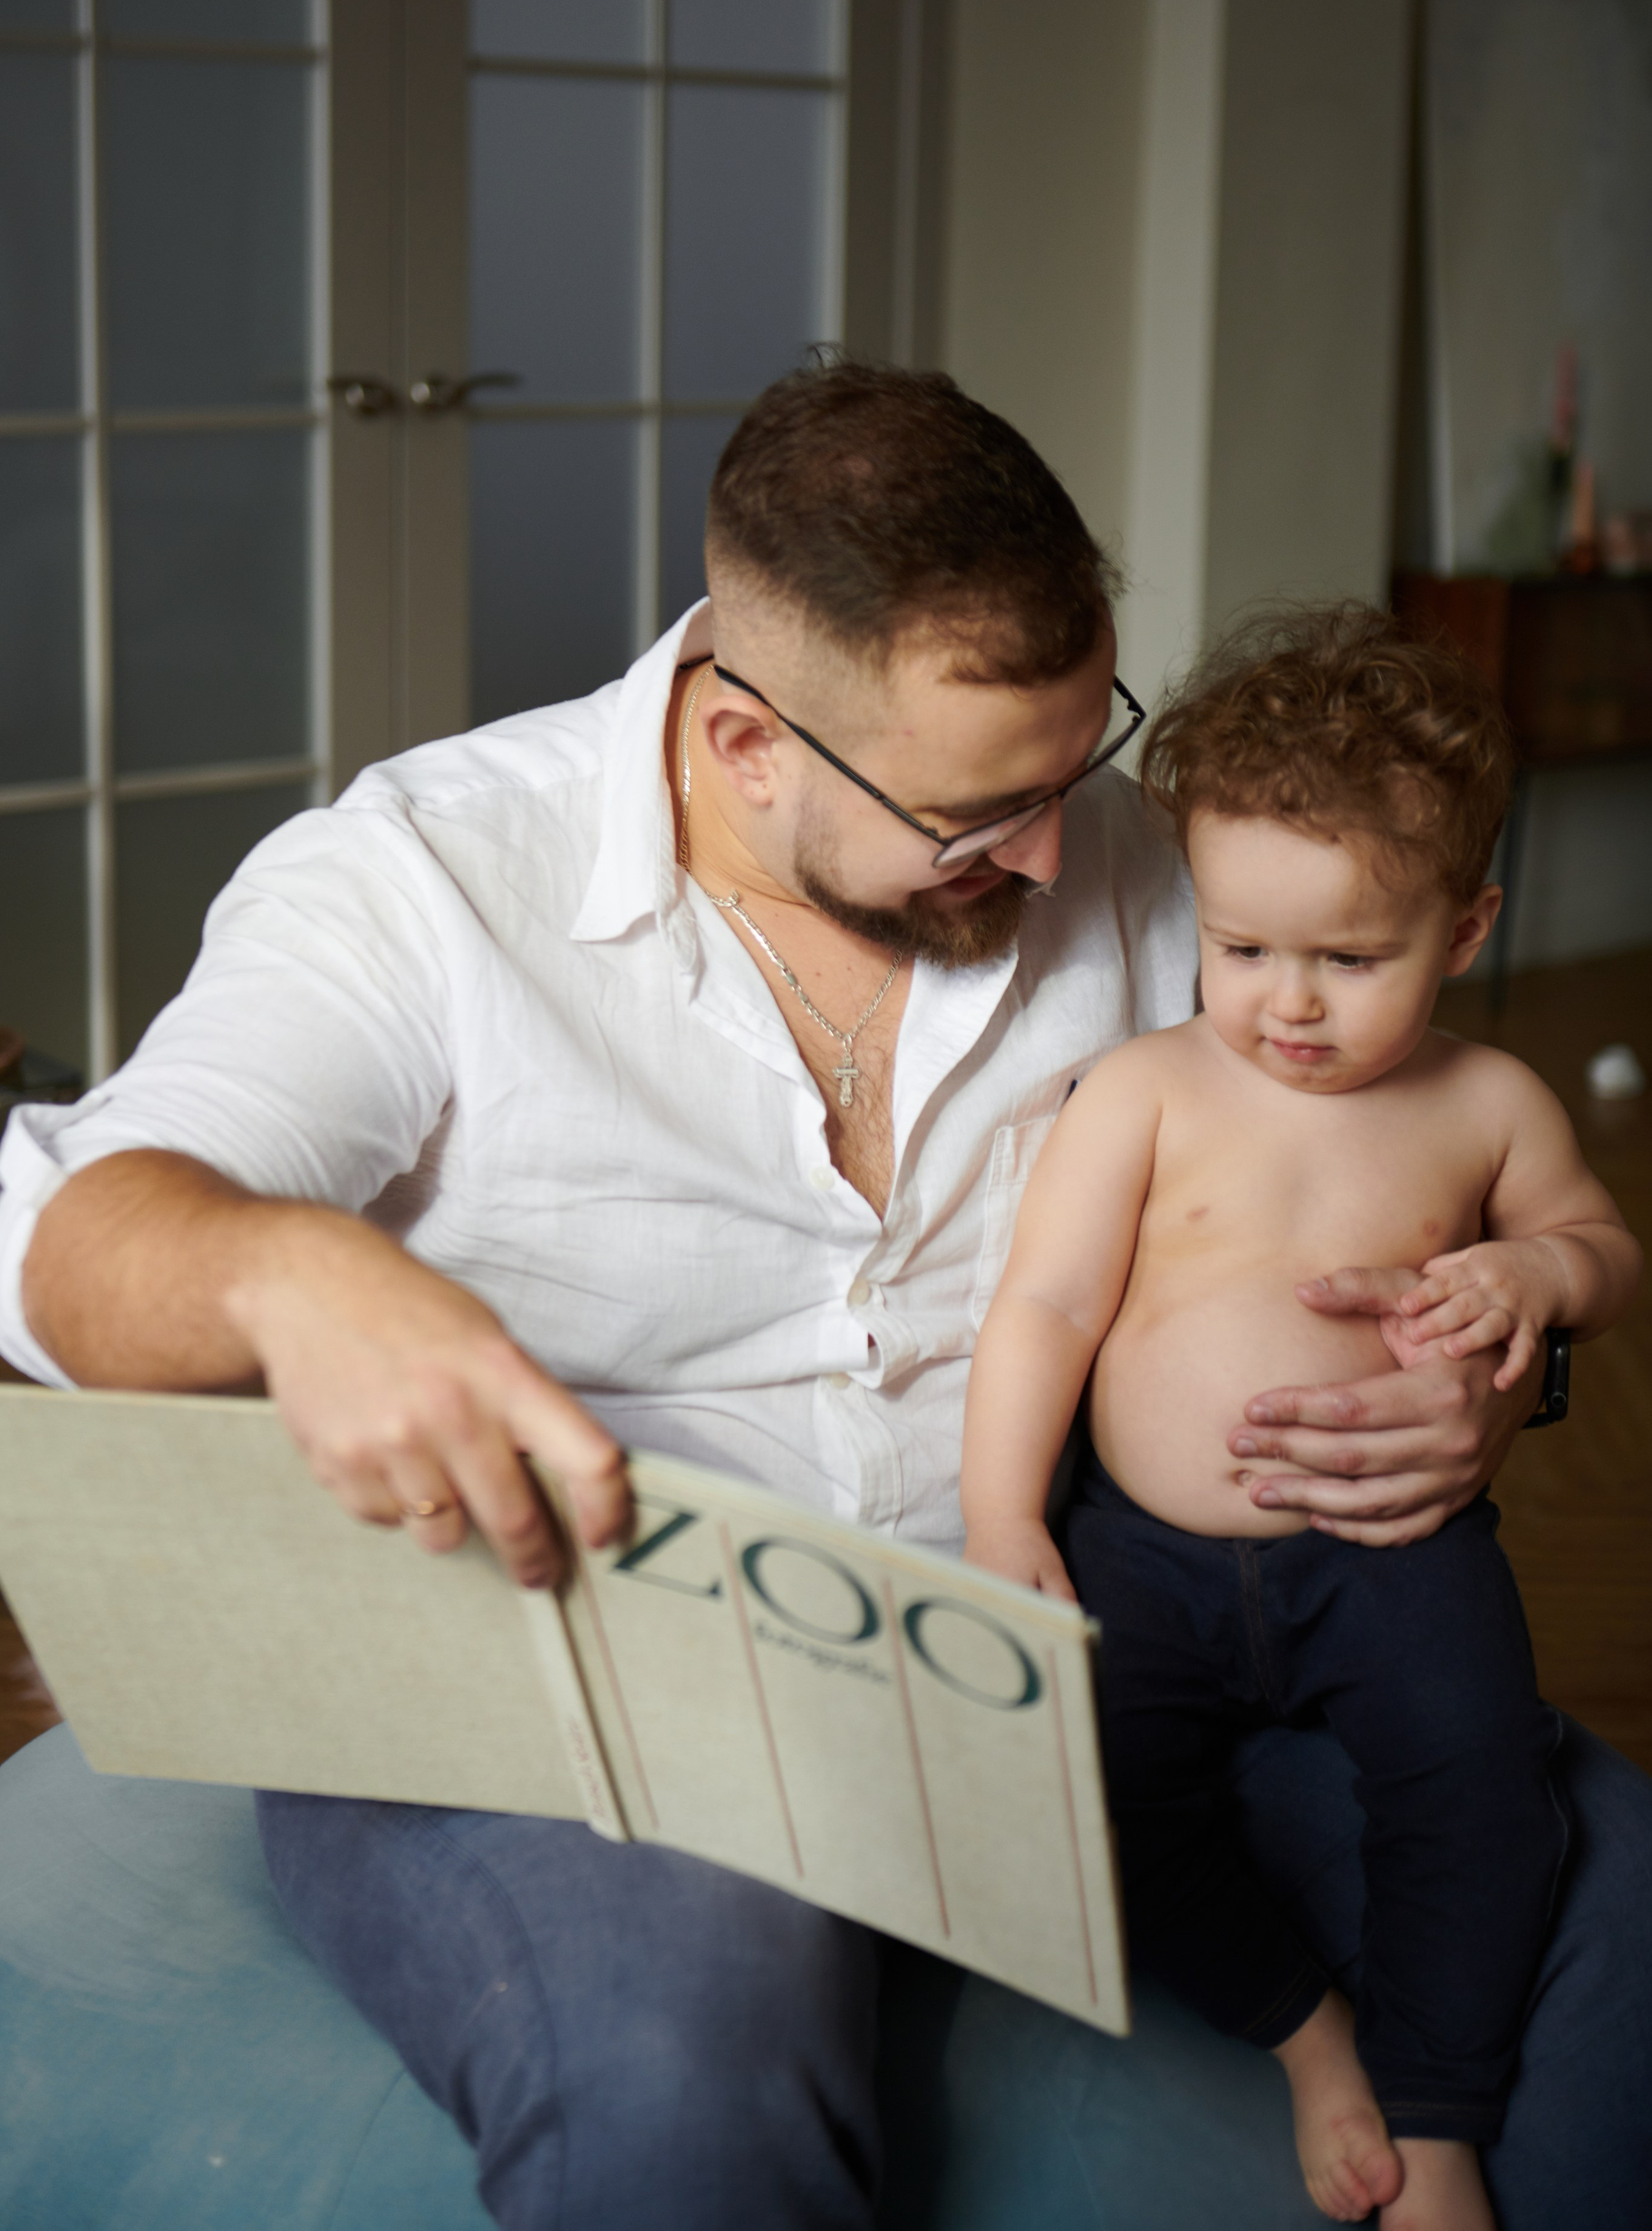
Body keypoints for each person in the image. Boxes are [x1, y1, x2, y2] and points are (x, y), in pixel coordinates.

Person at [0, 366, 1646, 2231]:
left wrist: (1495, 1383)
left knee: (1611, 1934)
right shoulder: (422, 883)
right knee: (683, 2081)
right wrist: (289, 1271)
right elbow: (61, 1239)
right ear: (746, 740)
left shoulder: (1146, 866)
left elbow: (1404, 1179)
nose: (1053, 854)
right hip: (579, 1685)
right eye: (975, 813)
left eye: (1074, 763)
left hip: (1084, 1648)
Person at [961, 605, 1642, 2230]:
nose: (1288, 1005)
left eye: (1348, 961)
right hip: (1144, 1562)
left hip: (1392, 1553)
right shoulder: (1142, 1090)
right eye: (1241, 948)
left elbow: (1607, 1253)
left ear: (1462, 930)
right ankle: (1301, 2033)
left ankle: (1434, 2109)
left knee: (1483, 1800)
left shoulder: (1486, 1103)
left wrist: (1535, 1273)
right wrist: (999, 1517)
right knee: (1091, 1804)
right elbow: (1044, 1308)